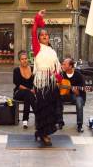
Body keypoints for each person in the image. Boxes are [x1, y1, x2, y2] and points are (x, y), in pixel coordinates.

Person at [31, 9, 62, 146]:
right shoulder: (37, 48)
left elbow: (56, 68)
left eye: (46, 35)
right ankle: (43, 134)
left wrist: (58, 77)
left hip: (52, 84)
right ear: (38, 39)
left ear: (48, 38)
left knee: (52, 108)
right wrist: (38, 17)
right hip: (41, 84)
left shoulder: (52, 51)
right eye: (42, 35)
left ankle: (44, 132)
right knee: (43, 110)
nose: (44, 36)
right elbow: (33, 31)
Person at [59, 58, 86, 133]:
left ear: (70, 66)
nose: (62, 65)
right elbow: (57, 84)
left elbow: (83, 89)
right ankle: (60, 122)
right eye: (62, 64)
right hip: (64, 95)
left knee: (79, 101)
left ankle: (80, 125)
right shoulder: (61, 74)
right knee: (58, 98)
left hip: (75, 96)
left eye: (64, 64)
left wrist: (77, 92)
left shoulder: (78, 75)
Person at [13, 50, 35, 129]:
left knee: (27, 97)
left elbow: (35, 82)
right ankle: (38, 113)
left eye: (25, 59)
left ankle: (25, 120)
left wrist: (34, 89)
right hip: (18, 92)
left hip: (29, 94)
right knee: (27, 93)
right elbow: (18, 85)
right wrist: (30, 90)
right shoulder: (16, 70)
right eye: (22, 59)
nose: (24, 60)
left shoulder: (32, 69)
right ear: (19, 60)